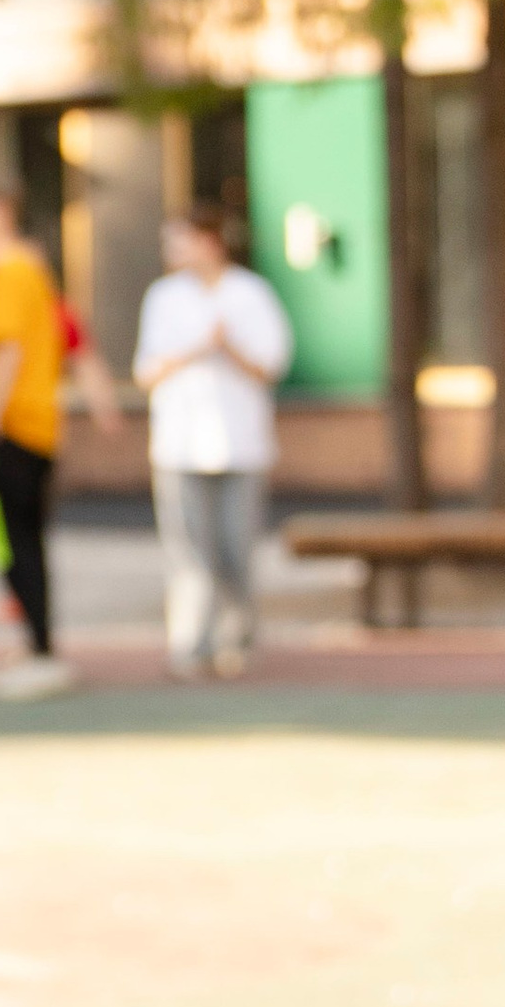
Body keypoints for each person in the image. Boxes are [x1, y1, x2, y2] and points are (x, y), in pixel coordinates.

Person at [133, 206, 292, 678]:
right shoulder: (163, 298)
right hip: (178, 445)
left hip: (240, 443)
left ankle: (237, 639)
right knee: (188, 550)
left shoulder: (251, 294)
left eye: (180, 241)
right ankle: (190, 645)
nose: (172, 252)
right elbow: (147, 370)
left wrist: (229, 347)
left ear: (210, 242)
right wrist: (197, 348)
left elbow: (271, 367)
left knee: (235, 546)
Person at [0, 172, 78, 700]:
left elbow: (8, 351)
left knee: (17, 542)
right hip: (35, 423)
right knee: (22, 539)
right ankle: (34, 644)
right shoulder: (31, 269)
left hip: (15, 426)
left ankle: (39, 648)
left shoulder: (9, 271)